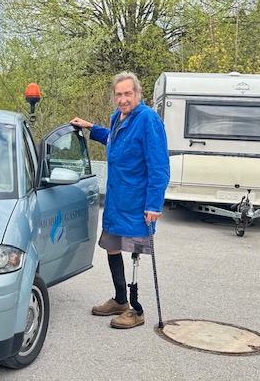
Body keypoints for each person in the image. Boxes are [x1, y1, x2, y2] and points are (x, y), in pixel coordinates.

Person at [71, 71, 170, 329]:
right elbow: (115, 140)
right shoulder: (118, 117)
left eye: (128, 93)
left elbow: (159, 166)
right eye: (118, 94)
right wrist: (91, 128)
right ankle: (120, 300)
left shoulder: (148, 120)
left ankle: (137, 310)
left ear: (138, 94)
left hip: (137, 201)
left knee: (135, 250)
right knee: (112, 246)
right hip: (117, 199)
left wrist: (153, 204)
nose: (123, 99)